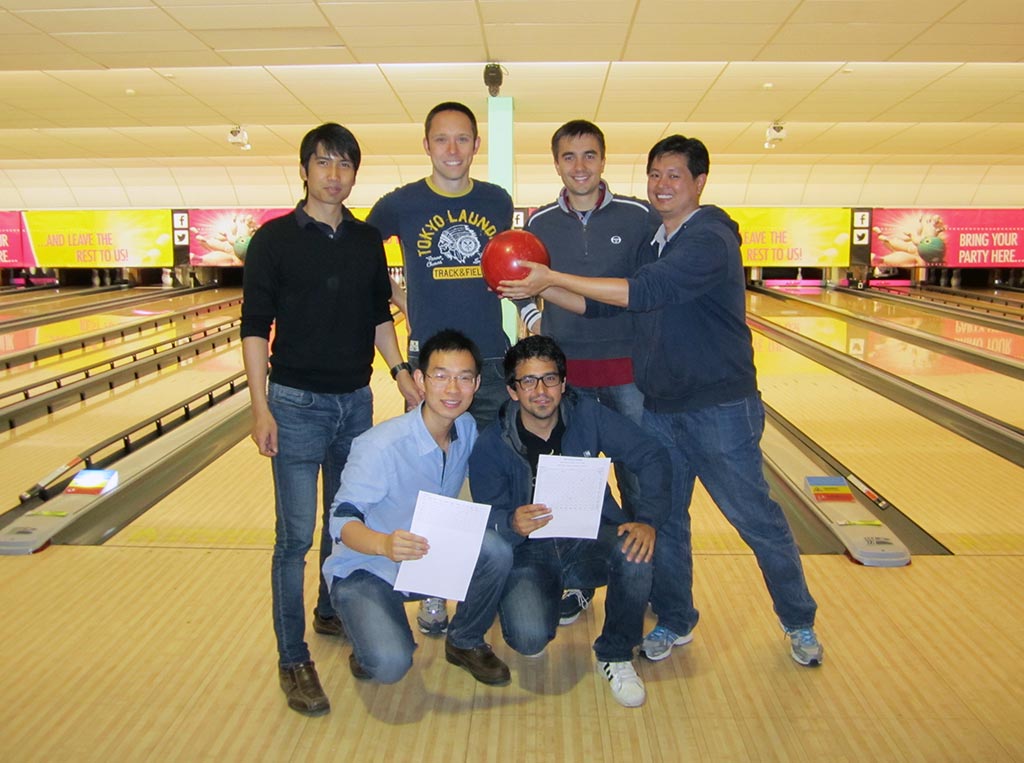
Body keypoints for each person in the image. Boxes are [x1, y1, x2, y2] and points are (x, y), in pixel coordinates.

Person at [498, 135, 824, 668]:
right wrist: (528, 288)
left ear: (699, 183)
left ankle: (799, 620)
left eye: (675, 175)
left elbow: (644, 293)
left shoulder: (709, 236)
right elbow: (608, 310)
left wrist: (549, 277)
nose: (662, 184)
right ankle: (674, 617)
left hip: (719, 409)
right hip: (661, 409)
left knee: (755, 519)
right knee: (664, 521)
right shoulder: (657, 242)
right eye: (655, 174)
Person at [241, 122, 420, 717]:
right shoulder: (272, 240)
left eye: (345, 164)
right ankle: (293, 659)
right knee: (293, 538)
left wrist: (399, 373)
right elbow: (253, 327)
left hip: (355, 402)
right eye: (324, 163)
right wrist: (260, 405)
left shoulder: (368, 240)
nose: (335, 174)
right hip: (293, 405)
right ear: (305, 169)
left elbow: (378, 316)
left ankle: (329, 608)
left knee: (342, 521)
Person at [366, 101, 515, 635]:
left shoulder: (497, 201)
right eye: (442, 140)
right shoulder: (400, 204)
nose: (453, 150)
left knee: (490, 479)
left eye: (463, 140)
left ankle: (488, 583)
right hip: (430, 365)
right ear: (426, 145)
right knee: (433, 486)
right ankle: (431, 590)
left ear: (477, 145)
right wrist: (404, 300)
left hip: (491, 362)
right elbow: (362, 258)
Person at [468, 335, 671, 707]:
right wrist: (511, 522)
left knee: (635, 552)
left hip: (588, 539)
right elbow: (487, 520)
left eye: (549, 379)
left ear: (563, 384)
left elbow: (651, 454)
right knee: (528, 640)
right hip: (529, 553)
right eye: (528, 381)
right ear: (513, 391)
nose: (540, 391)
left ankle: (616, 653)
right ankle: (555, 591)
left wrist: (648, 519)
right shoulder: (491, 445)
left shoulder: (588, 416)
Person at [323, 330, 513, 687]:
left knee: (497, 551)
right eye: (441, 376)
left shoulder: (467, 429)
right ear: (420, 380)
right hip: (369, 567)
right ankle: (370, 635)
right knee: (390, 665)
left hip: (427, 557)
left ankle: (465, 640)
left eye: (464, 378)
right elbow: (341, 520)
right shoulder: (380, 446)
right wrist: (383, 544)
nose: (452, 389)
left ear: (477, 384)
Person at [525, 119, 654, 624]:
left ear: (604, 160)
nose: (580, 166)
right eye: (569, 157)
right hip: (568, 377)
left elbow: (645, 289)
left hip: (628, 373)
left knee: (638, 482)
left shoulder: (639, 216)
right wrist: (535, 319)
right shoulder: (538, 225)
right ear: (556, 163)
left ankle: (643, 583)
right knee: (572, 487)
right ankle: (579, 583)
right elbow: (525, 289)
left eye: (589, 156)